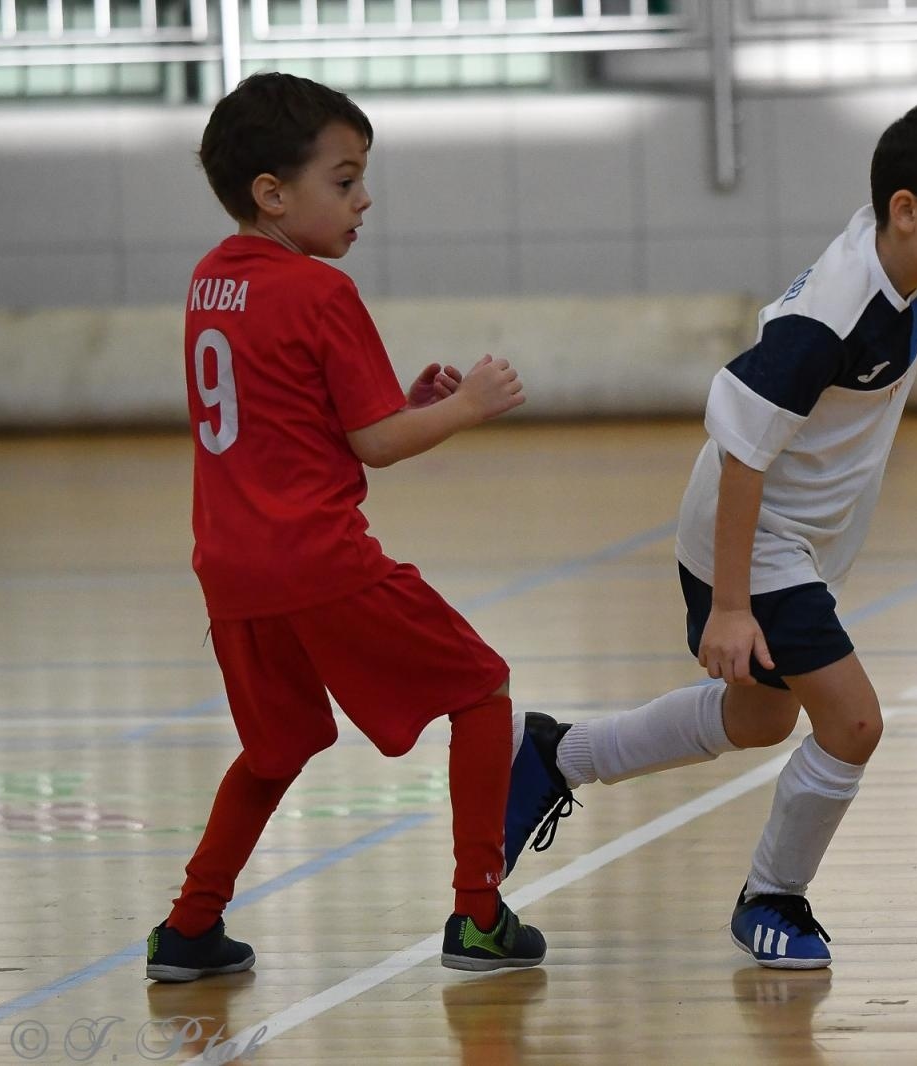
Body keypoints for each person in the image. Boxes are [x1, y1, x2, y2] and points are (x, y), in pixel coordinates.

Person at [506, 96, 917, 968]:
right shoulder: (829, 316)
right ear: (908, 211)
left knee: (758, 719)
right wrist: (731, 607)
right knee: (853, 724)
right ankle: (773, 896)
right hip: (752, 538)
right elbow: (741, 452)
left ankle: (557, 754)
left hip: (803, 541)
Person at [146, 71, 567, 981]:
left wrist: (404, 404)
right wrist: (466, 407)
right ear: (272, 193)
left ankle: (187, 928)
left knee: (276, 747)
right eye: (344, 181)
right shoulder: (320, 292)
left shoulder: (209, 282)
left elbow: (298, 417)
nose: (363, 199)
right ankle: (478, 915)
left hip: (231, 569)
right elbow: (375, 445)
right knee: (483, 689)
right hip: (318, 561)